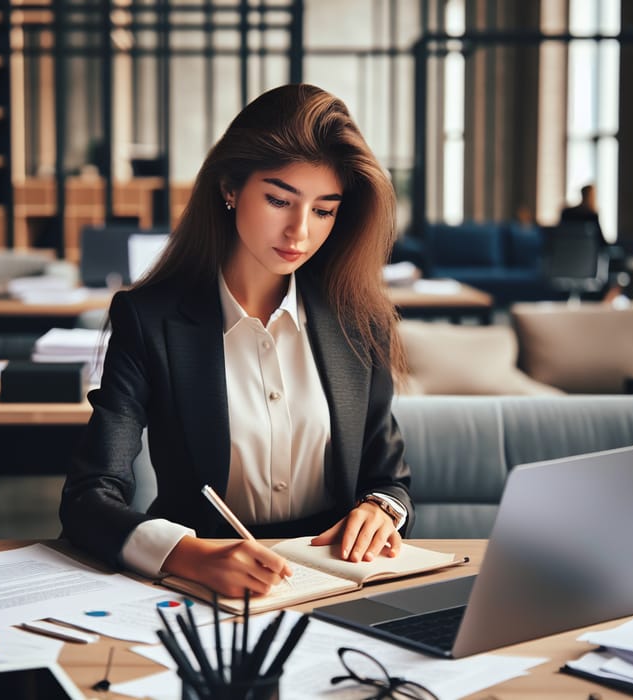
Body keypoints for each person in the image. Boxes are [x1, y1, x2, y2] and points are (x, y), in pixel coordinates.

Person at [60, 83, 414, 598]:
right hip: (199, 586)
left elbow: (389, 475)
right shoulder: (149, 319)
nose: (300, 231)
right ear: (229, 186)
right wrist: (186, 554)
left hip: (338, 584)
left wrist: (381, 509)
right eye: (279, 199)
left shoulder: (360, 320)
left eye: (324, 209)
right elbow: (89, 497)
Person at [559, 183, 608, 248]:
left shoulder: (567, 213)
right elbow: (601, 241)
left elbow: (560, 234)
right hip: (586, 252)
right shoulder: (592, 216)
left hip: (566, 249)